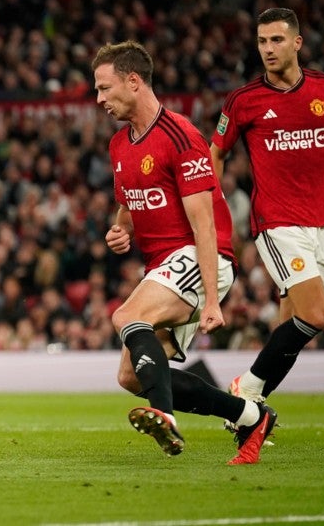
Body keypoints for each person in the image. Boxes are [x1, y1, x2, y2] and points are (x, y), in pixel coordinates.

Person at [93, 40, 275, 464]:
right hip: (164, 266)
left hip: (199, 256)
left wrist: (212, 299)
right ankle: (249, 415)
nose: (99, 99)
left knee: (126, 316)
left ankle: (165, 416)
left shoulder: (181, 136)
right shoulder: (120, 145)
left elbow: (205, 224)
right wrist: (121, 230)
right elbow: (129, 204)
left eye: (104, 88)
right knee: (130, 377)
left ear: (133, 81)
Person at [210, 8, 324, 403]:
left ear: (297, 42)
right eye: (261, 41)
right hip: (275, 222)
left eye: (276, 40)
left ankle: (251, 414)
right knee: (316, 314)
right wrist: (214, 204)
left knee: (290, 324)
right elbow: (216, 153)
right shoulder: (243, 101)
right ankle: (245, 390)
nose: (268, 49)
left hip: (322, 224)